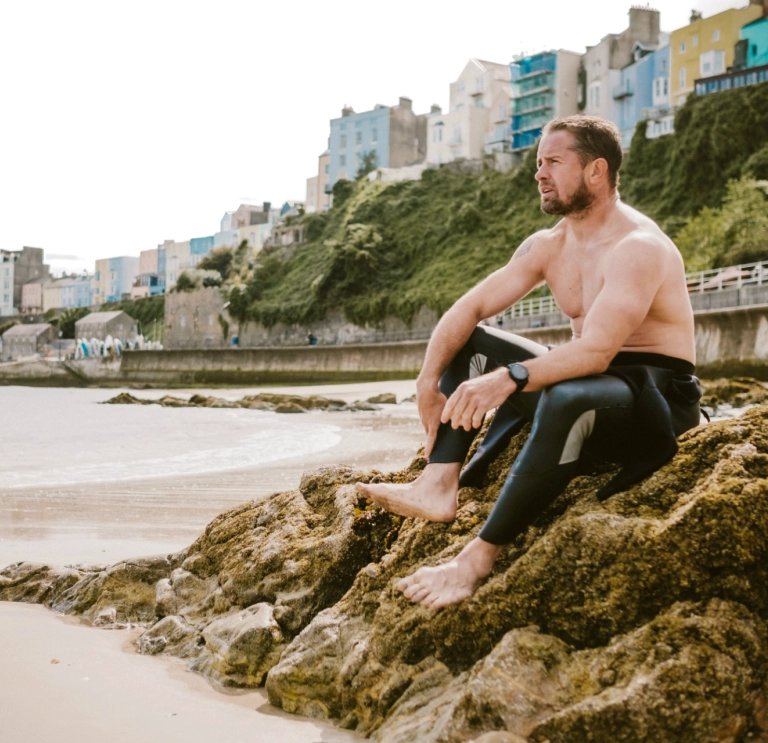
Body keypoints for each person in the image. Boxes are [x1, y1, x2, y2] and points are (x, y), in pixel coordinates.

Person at [355, 115, 701, 610]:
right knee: (472, 343)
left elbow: (598, 351)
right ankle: (437, 483)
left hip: (655, 399)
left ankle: (475, 560)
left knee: (566, 395)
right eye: (538, 162)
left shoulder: (637, 248)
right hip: (592, 379)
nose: (539, 173)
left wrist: (512, 378)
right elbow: (468, 309)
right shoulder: (549, 245)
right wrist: (428, 383)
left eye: (554, 162)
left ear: (596, 171)